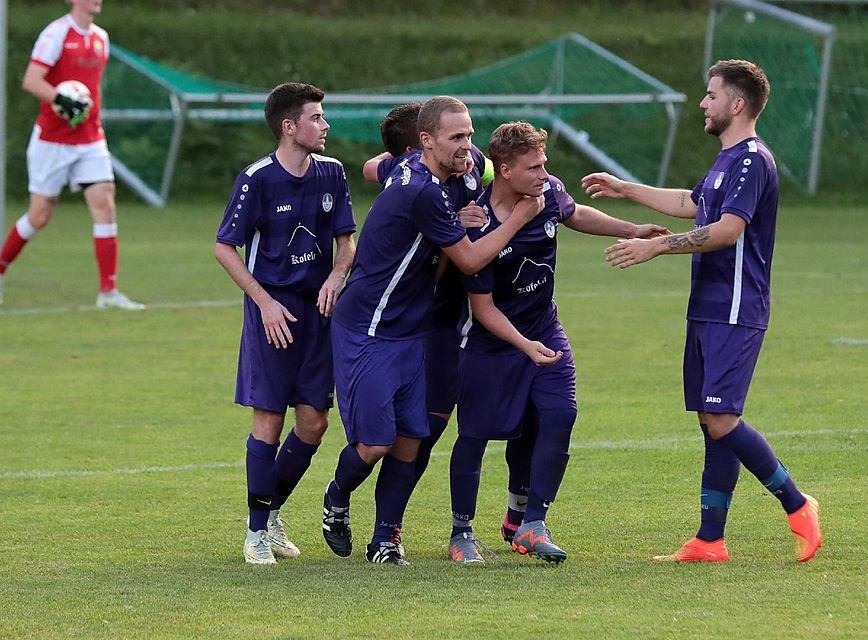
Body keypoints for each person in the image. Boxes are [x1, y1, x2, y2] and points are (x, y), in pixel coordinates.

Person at [582, 59, 822, 563]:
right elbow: (691, 203)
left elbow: (728, 230)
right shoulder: (726, 160)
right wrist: (626, 189)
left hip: (736, 307)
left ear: (736, 104)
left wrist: (657, 247)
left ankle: (798, 505)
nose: (703, 103)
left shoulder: (754, 159)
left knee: (721, 417)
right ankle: (710, 540)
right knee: (711, 420)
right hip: (708, 307)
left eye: (711, 95)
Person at [322, 96, 542, 565]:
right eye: (456, 138)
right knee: (377, 442)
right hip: (370, 326)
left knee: (409, 439)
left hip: (415, 329)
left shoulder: (458, 165)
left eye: (469, 134)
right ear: (425, 143)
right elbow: (470, 259)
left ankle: (384, 539)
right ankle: (336, 496)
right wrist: (519, 217)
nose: (468, 147)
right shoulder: (420, 189)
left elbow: (374, 166)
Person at [449, 121, 669, 564]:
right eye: (533, 167)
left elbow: (575, 213)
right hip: (491, 343)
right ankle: (461, 533)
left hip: (545, 327)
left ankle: (531, 524)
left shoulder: (547, 191)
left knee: (559, 415)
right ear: (505, 171)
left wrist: (632, 228)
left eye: (544, 164)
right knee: (475, 436)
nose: (543, 173)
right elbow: (483, 307)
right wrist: (524, 345)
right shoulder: (477, 222)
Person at [215, 82, 356, 565]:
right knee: (270, 420)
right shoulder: (256, 178)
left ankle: (270, 511)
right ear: (289, 126)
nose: (326, 125)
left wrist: (337, 277)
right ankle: (256, 532)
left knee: (314, 421)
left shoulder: (333, 174)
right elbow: (223, 248)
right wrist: (264, 303)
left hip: (318, 315)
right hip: (271, 314)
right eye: (317, 117)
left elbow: (346, 243)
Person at [0, 0, 142, 309]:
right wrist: (62, 98)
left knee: (105, 204)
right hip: (52, 139)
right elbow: (31, 80)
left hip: (90, 137)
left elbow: (93, 89)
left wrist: (91, 115)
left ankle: (108, 293)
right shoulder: (56, 34)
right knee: (40, 215)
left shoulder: (101, 38)